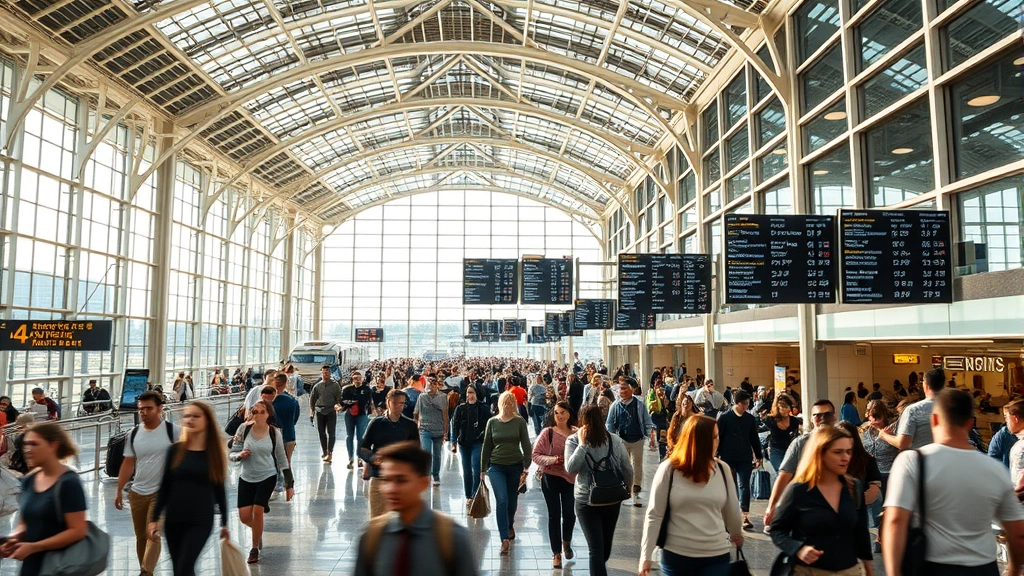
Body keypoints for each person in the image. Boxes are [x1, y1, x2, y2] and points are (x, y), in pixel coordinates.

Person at [884, 388, 1024, 576]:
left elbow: (894, 521)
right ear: (970, 423)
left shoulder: (912, 461)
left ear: (934, 419)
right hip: (983, 567)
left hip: (933, 566)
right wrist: (1014, 570)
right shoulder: (995, 470)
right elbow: (1017, 532)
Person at [353, 442, 478, 576]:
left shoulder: (451, 538)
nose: (391, 489)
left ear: (423, 483)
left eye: (401, 480)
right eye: (386, 480)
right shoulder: (371, 537)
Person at [639, 415, 743, 576]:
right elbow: (654, 514)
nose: (718, 441)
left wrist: (737, 534)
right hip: (677, 556)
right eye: (714, 437)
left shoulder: (723, 469)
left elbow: (732, 511)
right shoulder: (669, 469)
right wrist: (646, 556)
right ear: (700, 441)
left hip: (716, 554)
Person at [770, 425, 874, 576]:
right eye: (837, 452)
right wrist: (798, 549)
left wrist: (869, 568)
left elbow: (861, 532)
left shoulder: (854, 488)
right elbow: (777, 530)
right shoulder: (798, 490)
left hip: (850, 570)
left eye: (848, 451)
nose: (845, 457)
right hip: (809, 571)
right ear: (820, 454)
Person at [148, 402, 230, 576]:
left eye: (196, 416)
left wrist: (225, 521)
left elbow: (219, 488)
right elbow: (165, 485)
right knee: (179, 569)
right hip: (173, 518)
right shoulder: (175, 450)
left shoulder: (213, 453)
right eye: (187, 416)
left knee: (185, 566)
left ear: (207, 420)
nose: (190, 420)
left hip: (200, 520)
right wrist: (154, 517)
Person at [0, 423, 88, 576]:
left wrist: (35, 547)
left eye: (34, 444)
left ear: (53, 446)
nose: (27, 450)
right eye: (26, 444)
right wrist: (14, 539)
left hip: (60, 566)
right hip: (32, 566)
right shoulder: (29, 480)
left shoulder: (69, 483)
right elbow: (24, 522)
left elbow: (77, 531)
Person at [115, 391, 180, 576]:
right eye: (141, 409)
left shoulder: (173, 431)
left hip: (163, 492)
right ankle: (145, 569)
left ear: (159, 408)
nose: (144, 412)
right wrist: (119, 489)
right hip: (137, 492)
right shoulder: (133, 433)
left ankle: (146, 571)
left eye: (148, 408)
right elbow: (128, 463)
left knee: (154, 532)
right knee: (141, 536)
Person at [564, 404, 632, 576]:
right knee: (598, 549)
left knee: (602, 549)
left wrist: (582, 444)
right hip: (593, 500)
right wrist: (628, 488)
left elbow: (570, 470)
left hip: (598, 499)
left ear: (582, 420)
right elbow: (627, 469)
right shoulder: (576, 440)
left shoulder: (612, 439)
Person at [229, 400, 294, 564]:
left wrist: (289, 484)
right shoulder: (244, 429)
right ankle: (257, 532)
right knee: (244, 517)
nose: (258, 415)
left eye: (262, 412)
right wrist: (239, 455)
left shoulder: (274, 432)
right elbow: (232, 453)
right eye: (255, 411)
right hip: (246, 476)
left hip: (268, 475)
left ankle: (254, 548)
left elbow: (281, 458)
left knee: (258, 510)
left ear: (269, 414)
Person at [764, 399, 837, 526]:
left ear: (834, 417)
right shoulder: (800, 443)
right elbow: (784, 476)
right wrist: (771, 507)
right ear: (811, 418)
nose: (822, 418)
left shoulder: (845, 441)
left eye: (827, 414)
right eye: (817, 415)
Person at [480, 391, 531, 555]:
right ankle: (504, 538)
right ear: (500, 404)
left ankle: (509, 525)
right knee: (501, 500)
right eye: (505, 402)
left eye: (511, 402)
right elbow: (486, 446)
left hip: (515, 465)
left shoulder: (519, 422)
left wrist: (526, 466)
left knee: (512, 500)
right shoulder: (492, 422)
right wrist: (482, 469)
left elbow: (526, 445)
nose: (508, 405)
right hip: (496, 466)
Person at [532, 401, 578, 569]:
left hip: (570, 479)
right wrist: (553, 460)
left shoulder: (576, 433)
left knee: (569, 514)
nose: (559, 416)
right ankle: (556, 553)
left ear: (569, 414)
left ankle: (566, 541)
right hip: (550, 477)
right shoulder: (548, 433)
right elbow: (535, 455)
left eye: (563, 412)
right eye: (557, 413)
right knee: (553, 515)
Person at [359, 389, 419, 517]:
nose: (400, 406)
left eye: (402, 403)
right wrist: (372, 458)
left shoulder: (410, 426)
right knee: (377, 522)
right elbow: (362, 448)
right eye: (396, 403)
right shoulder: (376, 423)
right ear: (388, 403)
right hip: (379, 478)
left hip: (401, 480)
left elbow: (415, 452)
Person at [715, 389, 762, 530]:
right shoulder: (724, 418)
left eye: (748, 404)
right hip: (727, 457)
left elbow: (754, 438)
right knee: (729, 486)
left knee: (744, 485)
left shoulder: (749, 419)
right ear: (737, 403)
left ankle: (744, 515)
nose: (747, 407)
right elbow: (717, 437)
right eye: (745, 404)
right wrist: (716, 454)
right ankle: (729, 514)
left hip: (744, 458)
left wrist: (758, 456)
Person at [605, 380, 656, 507]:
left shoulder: (639, 404)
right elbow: (610, 423)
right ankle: (624, 487)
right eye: (620, 389)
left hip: (637, 439)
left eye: (625, 389)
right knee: (623, 465)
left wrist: (650, 434)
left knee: (637, 464)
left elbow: (646, 420)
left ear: (631, 390)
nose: (622, 391)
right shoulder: (615, 405)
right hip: (621, 440)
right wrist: (611, 438)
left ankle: (636, 487)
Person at [859, 400, 900, 546]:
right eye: (870, 416)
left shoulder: (892, 430)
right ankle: (878, 537)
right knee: (874, 510)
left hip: (889, 474)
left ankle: (887, 539)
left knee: (888, 510)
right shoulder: (865, 430)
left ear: (884, 415)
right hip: (871, 477)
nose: (873, 420)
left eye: (877, 416)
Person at [880, 367, 945, 451]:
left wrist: (884, 435)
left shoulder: (913, 410)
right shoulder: (953, 409)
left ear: (925, 385)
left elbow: (902, 444)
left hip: (921, 460)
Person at [451, 385, 490, 504]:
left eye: (472, 392)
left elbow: (489, 426)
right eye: (468, 393)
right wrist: (453, 443)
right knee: (466, 469)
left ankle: (475, 494)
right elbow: (455, 426)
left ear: (477, 394)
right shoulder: (460, 409)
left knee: (476, 467)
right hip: (464, 443)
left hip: (477, 443)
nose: (470, 395)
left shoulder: (483, 408)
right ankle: (469, 495)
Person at [414, 374, 449, 485]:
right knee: (426, 451)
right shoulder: (422, 397)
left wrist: (446, 429)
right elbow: (416, 412)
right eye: (430, 382)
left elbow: (445, 413)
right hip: (425, 429)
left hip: (438, 429)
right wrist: (416, 425)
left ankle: (436, 474)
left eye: (434, 382)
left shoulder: (443, 397)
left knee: (437, 454)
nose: (432, 384)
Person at [270, 372, 300, 491]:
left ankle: (278, 482)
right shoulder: (293, 401)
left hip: (274, 434)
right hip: (290, 434)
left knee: (275, 459)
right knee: (287, 461)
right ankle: (289, 485)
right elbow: (295, 419)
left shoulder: (271, 402)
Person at [309, 364, 343, 463]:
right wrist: (311, 413)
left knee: (331, 433)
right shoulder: (317, 386)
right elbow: (312, 400)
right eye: (323, 373)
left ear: (330, 373)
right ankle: (324, 451)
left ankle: (330, 452)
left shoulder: (335, 385)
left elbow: (339, 398)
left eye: (327, 372)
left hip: (331, 411)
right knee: (321, 432)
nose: (325, 375)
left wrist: (338, 405)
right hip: (320, 411)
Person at [340, 369, 373, 470]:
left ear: (362, 379)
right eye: (355, 378)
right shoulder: (347, 389)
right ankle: (351, 458)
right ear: (352, 379)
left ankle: (359, 458)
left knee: (360, 437)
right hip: (350, 415)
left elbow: (364, 401)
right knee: (349, 436)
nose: (357, 380)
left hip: (362, 414)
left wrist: (352, 401)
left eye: (359, 378)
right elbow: (343, 401)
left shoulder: (367, 390)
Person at [764, 393, 801, 473]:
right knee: (781, 471)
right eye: (782, 410)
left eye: (786, 409)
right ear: (778, 409)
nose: (784, 412)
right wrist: (776, 398)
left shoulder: (794, 421)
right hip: (776, 450)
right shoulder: (772, 420)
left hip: (791, 450)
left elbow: (796, 436)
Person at [646, 375, 673, 460]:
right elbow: (649, 405)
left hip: (663, 417)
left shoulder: (665, 395)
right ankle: (661, 454)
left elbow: (668, 406)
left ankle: (663, 455)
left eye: (661, 388)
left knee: (663, 438)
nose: (660, 390)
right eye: (658, 388)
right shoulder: (651, 394)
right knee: (659, 436)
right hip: (656, 418)